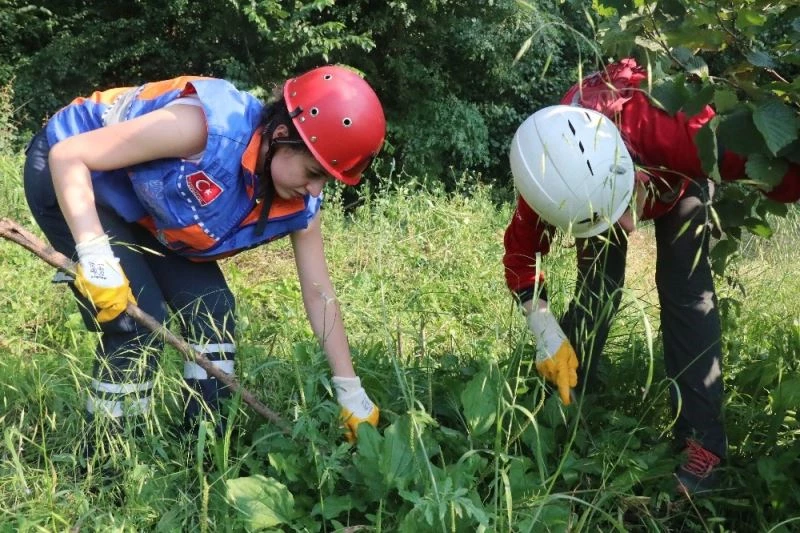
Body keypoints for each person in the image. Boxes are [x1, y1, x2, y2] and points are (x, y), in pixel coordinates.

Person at [23, 65, 385, 454]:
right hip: (75, 174)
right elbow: (69, 157)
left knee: (214, 312)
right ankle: (109, 465)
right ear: (281, 135)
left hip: (144, 202)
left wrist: (350, 389)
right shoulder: (205, 129)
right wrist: (95, 255)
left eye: (326, 180)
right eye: (313, 172)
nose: (315, 189)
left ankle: (201, 445)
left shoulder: (302, 202)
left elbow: (319, 293)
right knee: (134, 317)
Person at [502, 58, 800, 496]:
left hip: (679, 176)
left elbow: (784, 157)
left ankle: (703, 448)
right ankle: (564, 397)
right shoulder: (552, 168)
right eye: (612, 217)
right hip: (602, 184)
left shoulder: (687, 130)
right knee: (599, 285)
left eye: (622, 208)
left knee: (686, 287)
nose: (628, 229)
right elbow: (520, 253)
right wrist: (544, 328)